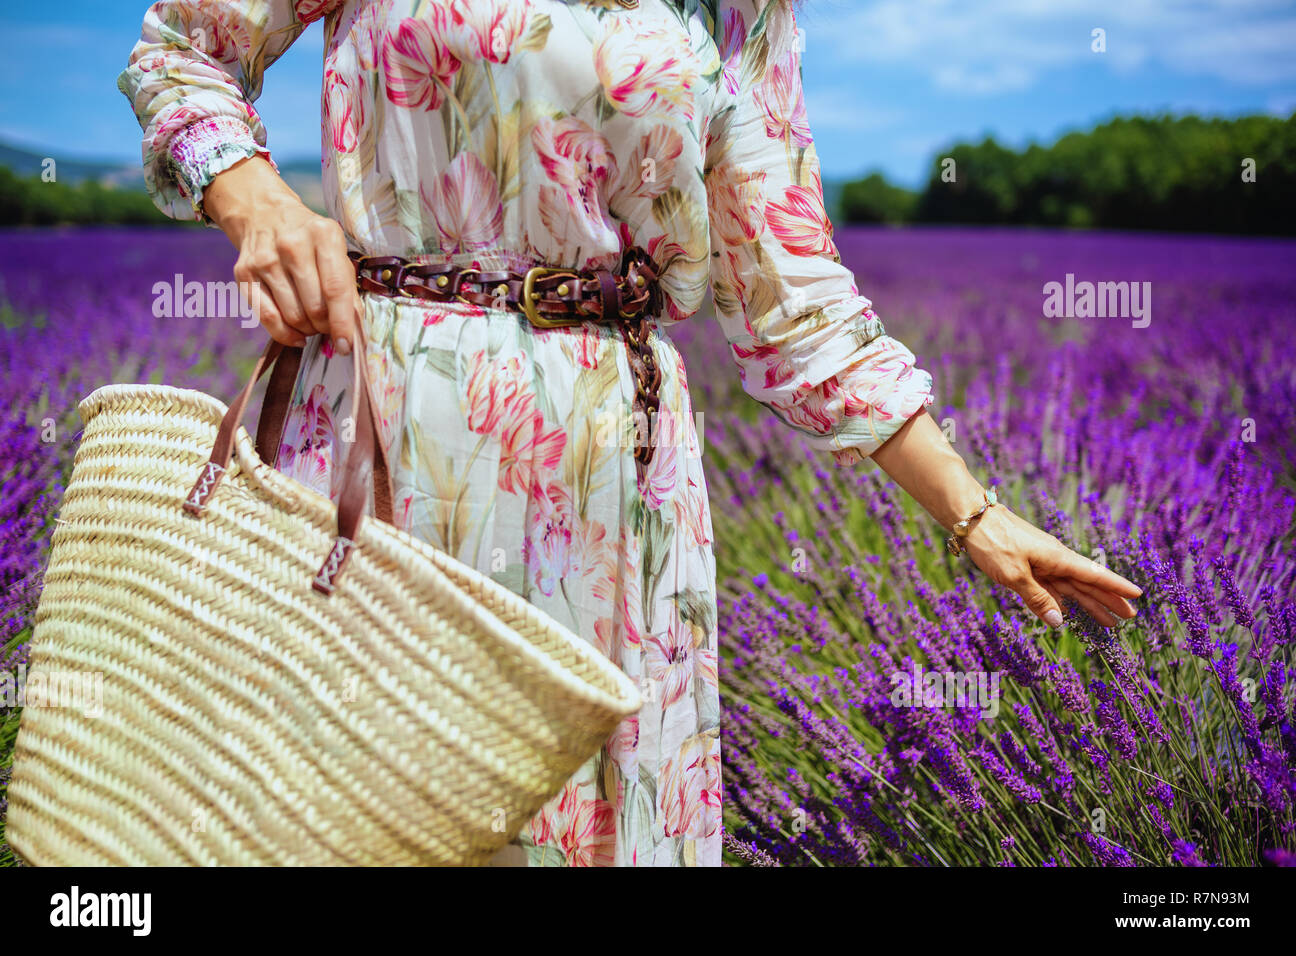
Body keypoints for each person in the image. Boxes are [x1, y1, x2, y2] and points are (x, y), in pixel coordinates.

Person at [118, 0, 1141, 867]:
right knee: (349, 807)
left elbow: (791, 300)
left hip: (611, 471)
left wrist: (977, 514)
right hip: (386, 433)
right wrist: (255, 202)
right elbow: (180, 51)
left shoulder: (733, 11)